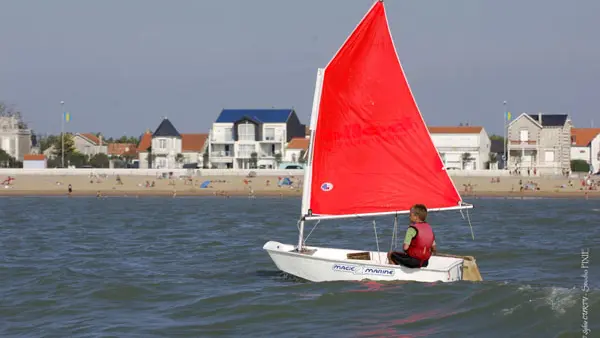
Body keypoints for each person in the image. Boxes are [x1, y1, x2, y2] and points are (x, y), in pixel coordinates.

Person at [387, 204, 436, 268]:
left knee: (391, 254)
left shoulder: (412, 229)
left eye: (410, 215)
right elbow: (434, 248)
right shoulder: (429, 228)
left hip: (413, 262)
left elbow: (405, 248)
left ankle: (396, 272)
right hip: (425, 262)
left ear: (416, 217)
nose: (409, 216)